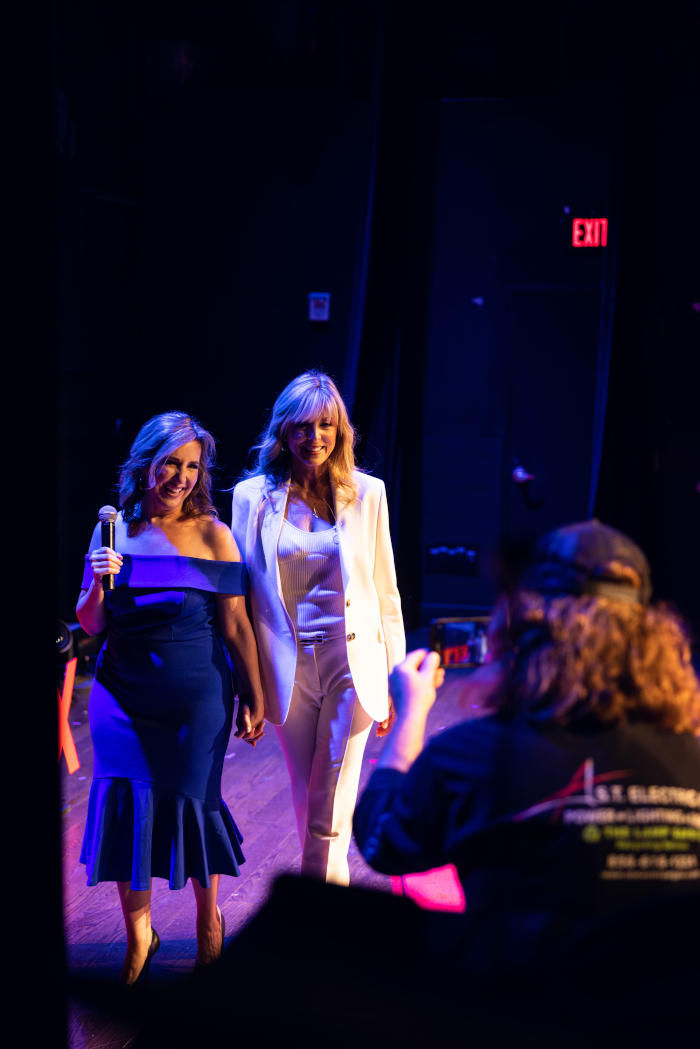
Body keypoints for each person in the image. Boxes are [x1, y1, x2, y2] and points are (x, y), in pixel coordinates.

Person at [354, 520, 700, 973]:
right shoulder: (691, 760)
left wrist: (411, 713)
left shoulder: (475, 757)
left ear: (523, 632)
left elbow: (383, 841)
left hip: (527, 1016)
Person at [76, 412, 265, 987]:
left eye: (192, 467)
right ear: (145, 464)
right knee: (127, 805)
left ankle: (210, 922)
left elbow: (236, 627)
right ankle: (140, 936)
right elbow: (90, 624)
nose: (181, 477)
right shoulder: (112, 529)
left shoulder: (213, 533)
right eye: (170, 464)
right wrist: (96, 580)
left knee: (193, 803)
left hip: (196, 696)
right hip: (120, 694)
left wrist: (253, 695)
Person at [231, 369, 405, 885]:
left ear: (341, 431)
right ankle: (329, 917)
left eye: (327, 426)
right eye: (304, 427)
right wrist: (247, 687)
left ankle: (317, 935)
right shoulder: (249, 498)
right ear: (283, 432)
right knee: (308, 800)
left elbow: (387, 593)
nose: (316, 439)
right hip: (285, 670)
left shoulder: (367, 493)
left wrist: (392, 677)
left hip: (351, 663)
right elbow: (240, 602)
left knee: (329, 809)